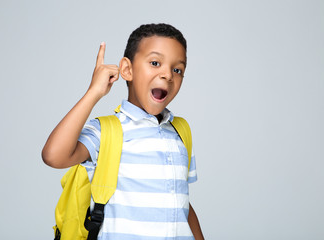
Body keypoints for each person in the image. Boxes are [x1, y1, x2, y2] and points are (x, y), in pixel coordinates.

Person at [42, 23, 204, 240]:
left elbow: (180, 202)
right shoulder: (107, 130)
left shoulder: (180, 131)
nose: (167, 74)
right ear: (127, 70)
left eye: (178, 69)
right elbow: (54, 156)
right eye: (155, 63)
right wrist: (93, 92)